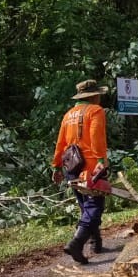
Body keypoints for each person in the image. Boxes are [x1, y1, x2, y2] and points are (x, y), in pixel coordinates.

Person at [51, 79, 110, 264]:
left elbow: (61, 142)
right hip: (90, 167)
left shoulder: (68, 114)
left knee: (85, 205)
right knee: (94, 206)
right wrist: (101, 159)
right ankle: (77, 242)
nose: (100, 97)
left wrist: (56, 166)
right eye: (98, 94)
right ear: (93, 95)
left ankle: (95, 243)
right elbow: (96, 136)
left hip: (71, 166)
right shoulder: (95, 111)